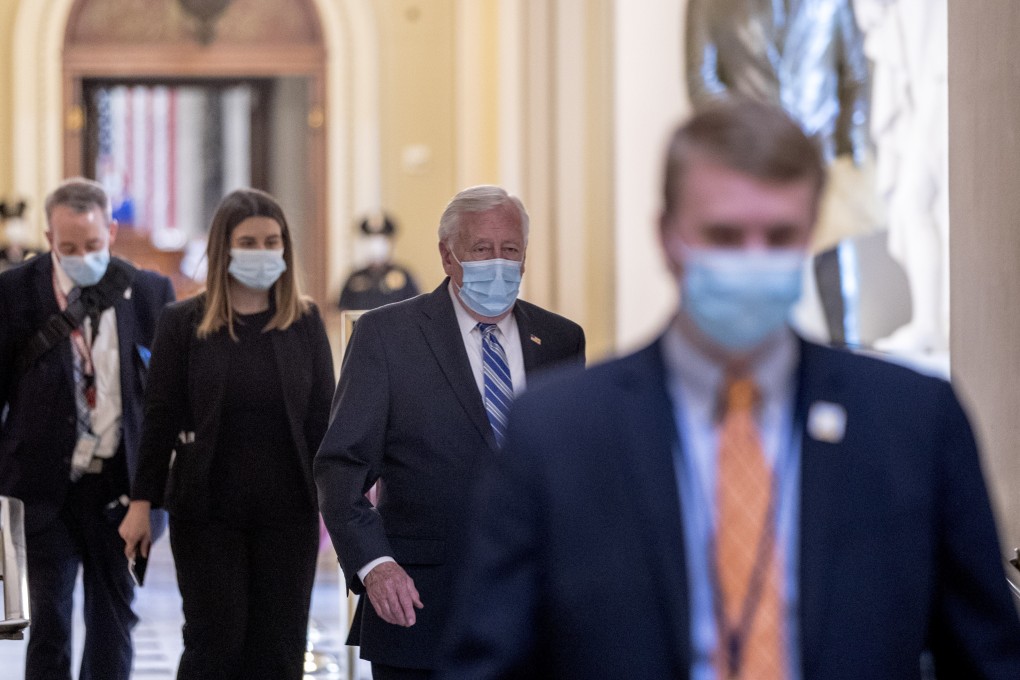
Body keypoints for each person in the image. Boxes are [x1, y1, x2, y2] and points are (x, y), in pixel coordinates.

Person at [438, 101, 1020, 679]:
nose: (752, 259)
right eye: (723, 234)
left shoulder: (910, 423)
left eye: (780, 235)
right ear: (667, 238)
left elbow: (986, 658)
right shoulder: (560, 433)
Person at [315, 185, 586, 679]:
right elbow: (341, 467)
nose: (498, 263)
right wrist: (375, 565)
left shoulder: (561, 340)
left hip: (534, 613)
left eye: (511, 250)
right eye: (482, 249)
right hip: (418, 606)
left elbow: (573, 472)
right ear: (448, 254)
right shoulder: (386, 336)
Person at [118, 188, 335, 679]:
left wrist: (342, 503)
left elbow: (324, 419)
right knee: (215, 645)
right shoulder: (184, 322)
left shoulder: (303, 322)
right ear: (223, 249)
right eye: (249, 241)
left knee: (279, 650)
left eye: (272, 240)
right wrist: (140, 504)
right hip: (208, 509)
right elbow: (160, 416)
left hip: (289, 513)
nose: (262, 251)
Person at [0, 177, 175, 680]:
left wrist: (152, 494)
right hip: (40, 484)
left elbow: (161, 402)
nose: (81, 256)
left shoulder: (146, 290)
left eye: (92, 245)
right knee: (49, 623)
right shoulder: (15, 292)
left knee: (114, 619)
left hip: (122, 487)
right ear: (49, 236)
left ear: (111, 231)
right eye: (68, 247)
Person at [337, 212, 420, 312]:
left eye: (381, 240)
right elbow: (341, 311)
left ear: (390, 243)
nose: (375, 245)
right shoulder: (354, 278)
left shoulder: (404, 276)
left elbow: (417, 309)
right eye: (371, 239)